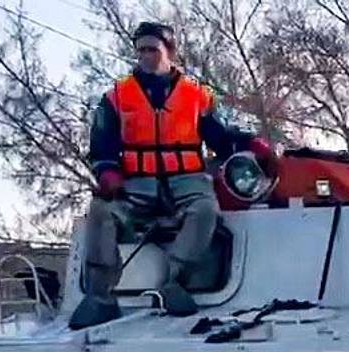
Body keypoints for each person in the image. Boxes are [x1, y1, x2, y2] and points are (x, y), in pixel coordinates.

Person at [71, 22, 273, 330]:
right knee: (101, 211)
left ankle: (174, 281)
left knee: (205, 210)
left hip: (187, 181)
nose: (146, 56)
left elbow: (220, 136)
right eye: (140, 51)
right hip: (136, 184)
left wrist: (250, 143)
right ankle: (100, 297)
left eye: (153, 49)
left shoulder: (196, 96)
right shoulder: (116, 97)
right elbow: (101, 144)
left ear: (170, 52)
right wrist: (108, 172)